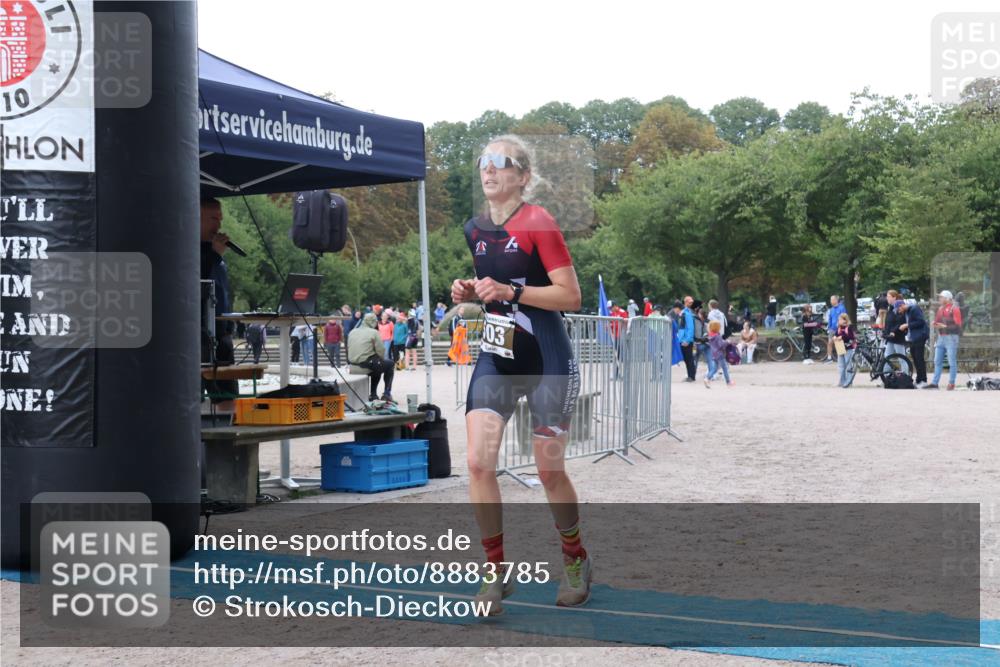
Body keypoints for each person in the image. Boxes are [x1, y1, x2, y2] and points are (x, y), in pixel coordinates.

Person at [452, 134, 589, 615]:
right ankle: (495, 574)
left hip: (547, 361)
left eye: (500, 162)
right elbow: (498, 292)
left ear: (523, 176)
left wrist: (509, 289)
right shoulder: (474, 229)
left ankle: (574, 558)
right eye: (483, 162)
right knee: (477, 463)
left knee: (549, 471)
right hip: (497, 358)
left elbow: (569, 296)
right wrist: (471, 291)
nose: (488, 169)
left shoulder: (539, 223)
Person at [200, 198, 238, 409]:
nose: (218, 225)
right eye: (213, 218)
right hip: (198, 335)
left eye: (220, 219)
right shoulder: (186, 249)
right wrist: (215, 254)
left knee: (227, 397)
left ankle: (227, 439)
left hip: (221, 333)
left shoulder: (215, 252)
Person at [347, 312, 395, 402]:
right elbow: (381, 351)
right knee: (389, 364)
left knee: (376, 364)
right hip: (366, 365)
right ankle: (385, 394)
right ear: (373, 322)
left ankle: (373, 394)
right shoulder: (374, 332)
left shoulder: (352, 332)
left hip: (352, 365)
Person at [927, 290, 963, 390]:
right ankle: (935, 383)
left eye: (941, 297)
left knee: (951, 361)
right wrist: (935, 323)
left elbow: (958, 326)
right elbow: (938, 321)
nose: (940, 299)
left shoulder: (954, 309)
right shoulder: (940, 308)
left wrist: (945, 326)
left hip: (951, 337)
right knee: (937, 360)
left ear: (948, 299)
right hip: (941, 337)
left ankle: (951, 383)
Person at [896, 299, 928, 387]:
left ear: (902, 305)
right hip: (913, 337)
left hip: (920, 336)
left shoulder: (914, 309)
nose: (899, 312)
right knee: (915, 358)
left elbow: (921, 321)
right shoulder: (906, 312)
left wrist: (907, 325)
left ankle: (923, 380)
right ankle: (918, 379)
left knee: (919, 358)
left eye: (899, 309)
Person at [704, 320, 734, 387]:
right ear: (717, 328)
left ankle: (707, 378)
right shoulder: (717, 336)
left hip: (714, 354)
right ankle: (728, 382)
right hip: (720, 354)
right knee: (725, 368)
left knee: (715, 368)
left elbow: (717, 343)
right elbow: (721, 345)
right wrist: (727, 342)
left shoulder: (710, 336)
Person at [832, 313, 857, 388]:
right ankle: (842, 381)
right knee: (841, 366)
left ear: (845, 320)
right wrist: (835, 337)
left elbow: (850, 337)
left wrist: (841, 337)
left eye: (840, 319)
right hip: (840, 348)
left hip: (848, 349)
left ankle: (849, 381)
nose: (838, 320)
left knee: (848, 365)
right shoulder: (839, 328)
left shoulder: (848, 328)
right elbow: (836, 334)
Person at [883, 290, 908, 358]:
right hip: (890, 337)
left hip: (897, 336)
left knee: (901, 357)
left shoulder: (899, 307)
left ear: (894, 298)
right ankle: (886, 369)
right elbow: (888, 322)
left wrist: (893, 331)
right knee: (887, 357)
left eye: (888, 296)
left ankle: (906, 369)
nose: (887, 298)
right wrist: (885, 332)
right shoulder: (890, 308)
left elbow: (900, 321)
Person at [677, 296, 697, 382]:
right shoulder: (686, 312)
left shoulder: (686, 313)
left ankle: (691, 376)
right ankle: (691, 376)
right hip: (684, 339)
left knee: (688, 359)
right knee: (688, 359)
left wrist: (687, 340)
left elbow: (690, 328)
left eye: (691, 302)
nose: (691, 304)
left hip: (686, 340)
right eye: (690, 302)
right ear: (685, 302)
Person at [823, 295, 846, 363]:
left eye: (832, 300)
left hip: (839, 328)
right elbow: (830, 319)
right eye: (830, 300)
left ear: (836, 300)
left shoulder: (842, 308)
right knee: (830, 343)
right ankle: (829, 358)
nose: (831, 301)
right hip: (832, 329)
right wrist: (829, 327)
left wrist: (842, 326)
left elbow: (844, 317)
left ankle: (841, 359)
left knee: (839, 342)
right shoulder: (831, 309)